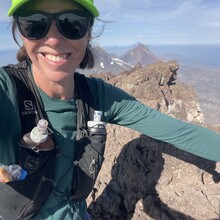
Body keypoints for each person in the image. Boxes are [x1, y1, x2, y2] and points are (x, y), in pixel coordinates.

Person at [0, 0, 219, 219]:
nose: (54, 39)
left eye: (72, 23)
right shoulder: (8, 91)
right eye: (34, 23)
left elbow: (177, 131)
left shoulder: (97, 95)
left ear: (88, 33)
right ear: (21, 34)